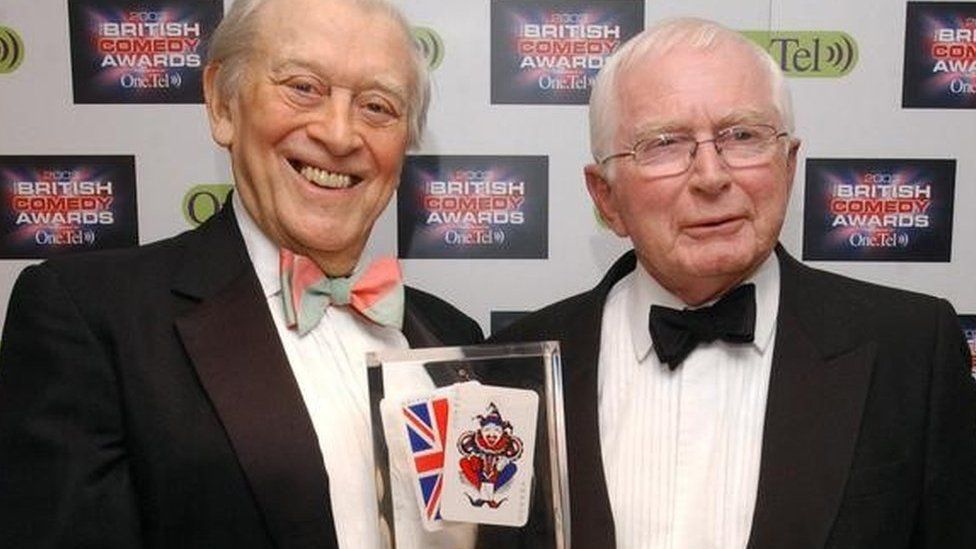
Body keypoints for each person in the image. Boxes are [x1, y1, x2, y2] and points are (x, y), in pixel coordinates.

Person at [0, 0, 482, 547]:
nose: (341, 134)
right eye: (303, 87)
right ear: (222, 105)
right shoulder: (91, 316)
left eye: (377, 106)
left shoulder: (454, 336)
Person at [491, 17, 976, 549]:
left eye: (742, 136)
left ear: (789, 165)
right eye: (664, 144)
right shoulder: (515, 370)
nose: (711, 176)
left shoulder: (912, 349)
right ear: (606, 197)